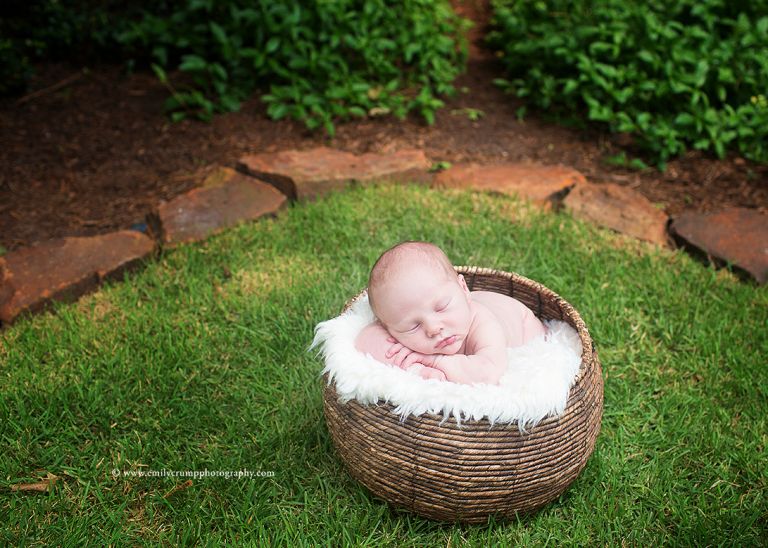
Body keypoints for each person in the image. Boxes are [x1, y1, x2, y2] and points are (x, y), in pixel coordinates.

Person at [354, 241, 547, 385]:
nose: (433, 328)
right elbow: (363, 340)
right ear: (389, 328)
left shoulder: (483, 325)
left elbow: (488, 374)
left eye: (441, 307)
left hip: (522, 322)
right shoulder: (399, 323)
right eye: (413, 326)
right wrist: (417, 369)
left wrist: (435, 361)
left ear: (463, 288)